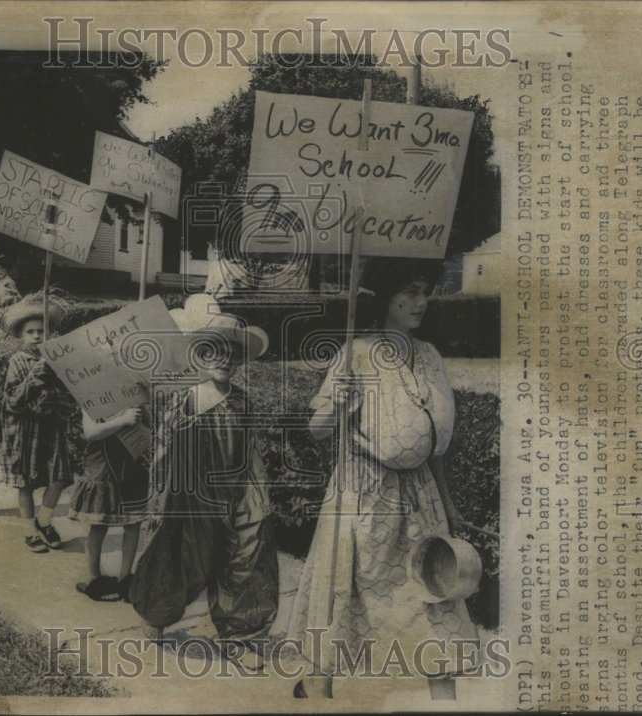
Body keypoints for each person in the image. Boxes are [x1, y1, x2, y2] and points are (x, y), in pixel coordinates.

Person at [285, 259, 480, 699]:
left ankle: (443, 703)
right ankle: (319, 689)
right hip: (363, 496)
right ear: (387, 298)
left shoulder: (428, 356)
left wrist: (447, 503)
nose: (421, 301)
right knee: (342, 598)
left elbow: (432, 445)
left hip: (419, 500)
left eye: (426, 292)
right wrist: (337, 402)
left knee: (432, 597)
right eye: (410, 291)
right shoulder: (356, 353)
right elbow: (316, 430)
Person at [129, 295, 278, 670]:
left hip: (235, 490)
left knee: (245, 555)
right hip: (191, 494)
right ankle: (157, 615)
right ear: (196, 355)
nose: (223, 357)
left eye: (230, 351)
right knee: (178, 553)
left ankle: (237, 636)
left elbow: (248, 448)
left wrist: (256, 492)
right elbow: (165, 450)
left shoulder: (242, 401)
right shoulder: (185, 399)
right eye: (212, 350)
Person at [1, 297, 78, 553]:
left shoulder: (57, 361)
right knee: (25, 481)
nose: (36, 337)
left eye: (41, 332)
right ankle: (29, 529)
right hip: (26, 431)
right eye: (30, 332)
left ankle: (44, 521)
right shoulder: (18, 362)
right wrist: (33, 380)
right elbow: (12, 400)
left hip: (52, 428)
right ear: (21, 336)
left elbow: (69, 398)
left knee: (58, 478)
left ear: (50, 333)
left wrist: (54, 392)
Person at [71, 405, 147, 601]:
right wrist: (124, 419)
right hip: (102, 466)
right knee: (99, 523)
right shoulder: (92, 396)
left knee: (133, 522)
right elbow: (90, 433)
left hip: (130, 465)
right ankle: (94, 578)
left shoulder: (134, 397)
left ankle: (124, 579)